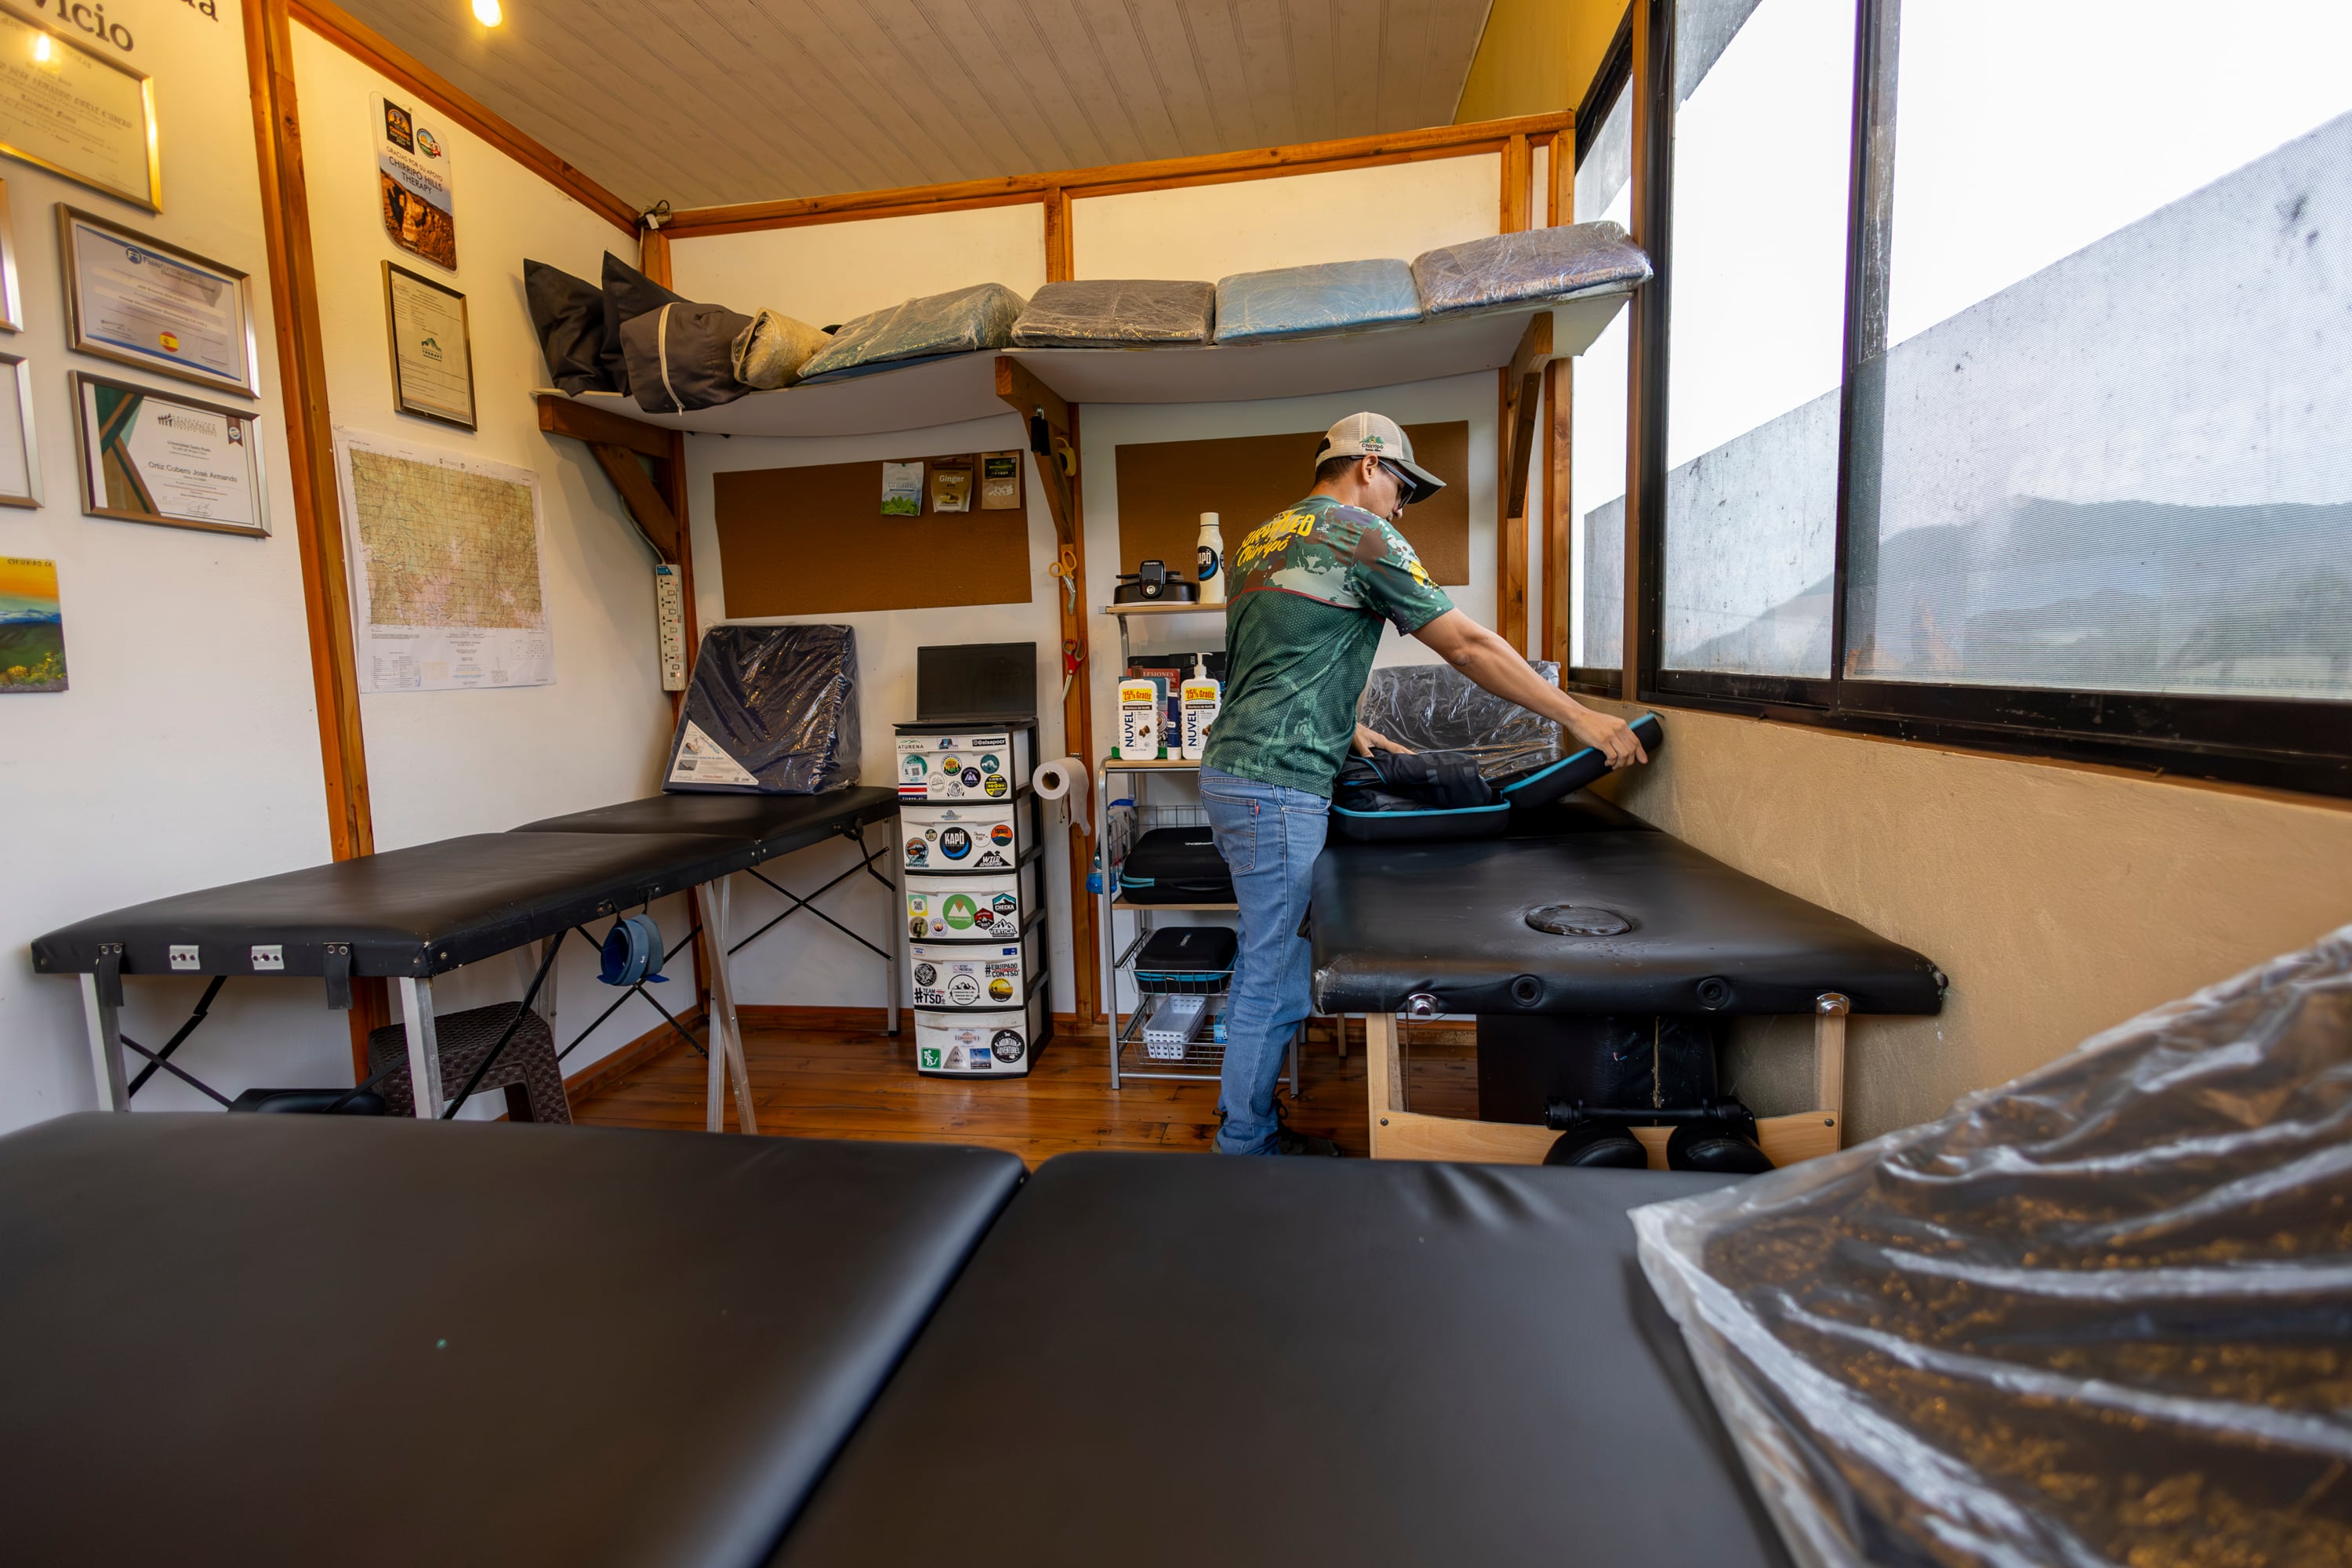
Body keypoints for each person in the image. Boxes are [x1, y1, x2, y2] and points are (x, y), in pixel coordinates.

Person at [1197, 412, 1650, 1156]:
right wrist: (1578, 717)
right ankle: (1243, 1147)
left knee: (1268, 959)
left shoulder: (1259, 539)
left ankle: (1247, 1132)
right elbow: (1467, 646)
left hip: (1235, 772)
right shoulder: (1361, 534)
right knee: (1271, 974)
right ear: (1369, 465)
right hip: (1277, 786)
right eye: (1402, 487)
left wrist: (1349, 727)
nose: (1402, 507)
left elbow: (1273, 660)